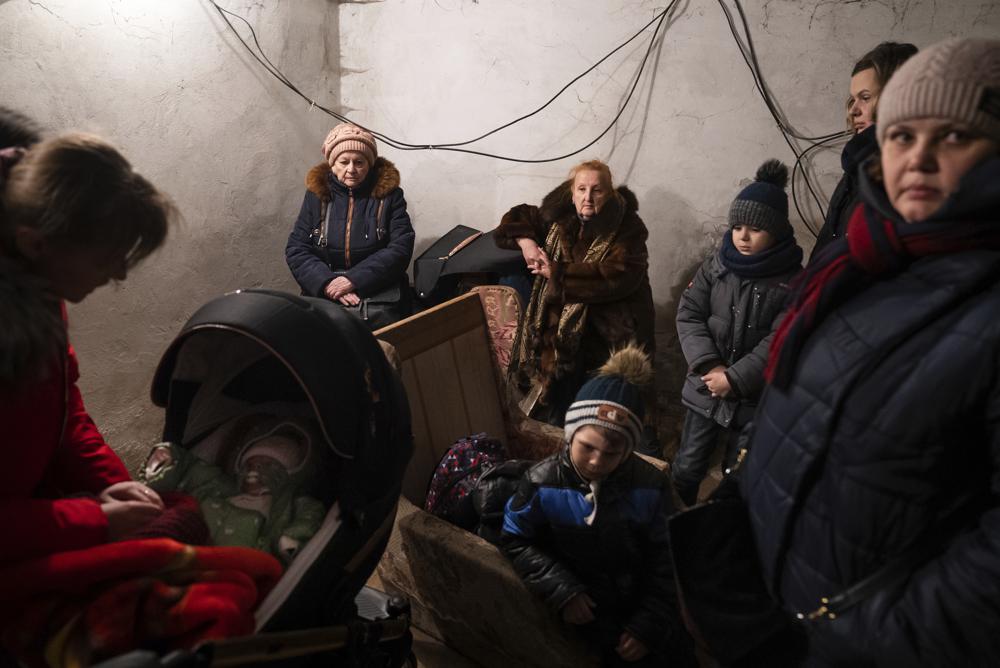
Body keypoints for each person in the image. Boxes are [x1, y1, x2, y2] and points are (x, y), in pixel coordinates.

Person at [743, 38, 1000, 665]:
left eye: (955, 136)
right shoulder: (864, 249)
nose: (918, 157)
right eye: (902, 134)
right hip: (787, 599)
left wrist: (879, 634)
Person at [0, 130, 174, 565]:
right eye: (106, 258)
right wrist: (94, 519)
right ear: (34, 243)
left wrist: (110, 484)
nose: (119, 273)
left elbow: (61, 409)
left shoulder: (36, 288)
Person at [501, 345, 695, 667]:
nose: (595, 461)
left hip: (640, 605)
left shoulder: (650, 486)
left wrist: (649, 625)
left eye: (611, 453)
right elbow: (515, 538)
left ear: (628, 450)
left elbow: (668, 558)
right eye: (587, 447)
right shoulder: (542, 482)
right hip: (585, 611)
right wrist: (561, 589)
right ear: (570, 435)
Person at [673, 159, 802, 507]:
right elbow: (689, 314)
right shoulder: (716, 267)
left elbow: (780, 339)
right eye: (737, 226)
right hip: (707, 390)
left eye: (755, 229)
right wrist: (710, 367)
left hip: (753, 400)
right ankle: (670, 526)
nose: (742, 236)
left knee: (737, 478)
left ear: (777, 231)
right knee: (686, 468)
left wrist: (736, 378)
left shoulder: (792, 281)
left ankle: (715, 533)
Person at [495, 160, 655, 435]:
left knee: (610, 421)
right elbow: (517, 216)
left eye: (597, 190)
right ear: (571, 193)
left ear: (611, 193)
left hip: (609, 339)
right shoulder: (560, 218)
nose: (588, 197)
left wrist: (557, 273)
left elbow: (617, 277)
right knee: (561, 414)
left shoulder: (628, 229)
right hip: (563, 342)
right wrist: (527, 243)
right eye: (581, 189)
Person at [285, 122, 415, 329]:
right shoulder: (316, 196)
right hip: (327, 289)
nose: (351, 169)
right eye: (343, 162)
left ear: (370, 164)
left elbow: (401, 247)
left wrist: (353, 280)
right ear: (332, 164)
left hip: (377, 294)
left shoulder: (390, 196)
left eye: (359, 162)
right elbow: (296, 249)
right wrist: (326, 283)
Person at [143, 420, 326, 563]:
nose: (255, 470)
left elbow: (310, 515)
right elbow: (191, 467)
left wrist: (292, 540)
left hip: (241, 556)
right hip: (186, 544)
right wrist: (168, 456)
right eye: (250, 464)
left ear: (287, 474)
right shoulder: (221, 486)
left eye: (267, 465)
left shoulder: (286, 506)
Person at [812, 42, 918, 256]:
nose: (853, 110)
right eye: (853, 99)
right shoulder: (857, 161)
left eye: (866, 98)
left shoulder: (910, 174)